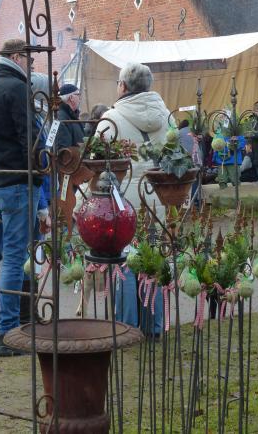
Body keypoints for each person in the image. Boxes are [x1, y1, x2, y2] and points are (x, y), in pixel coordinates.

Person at [0, 38, 44, 356]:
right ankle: (8, 333)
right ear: (16, 56)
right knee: (14, 256)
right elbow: (30, 138)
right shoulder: (16, 88)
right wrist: (40, 172)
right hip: (15, 182)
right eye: (29, 59)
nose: (32, 65)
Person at [96, 63, 168, 336]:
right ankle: (155, 326)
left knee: (126, 260)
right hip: (157, 196)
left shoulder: (111, 119)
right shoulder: (165, 115)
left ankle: (127, 327)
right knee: (153, 259)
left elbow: (96, 164)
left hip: (123, 201)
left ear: (123, 86)